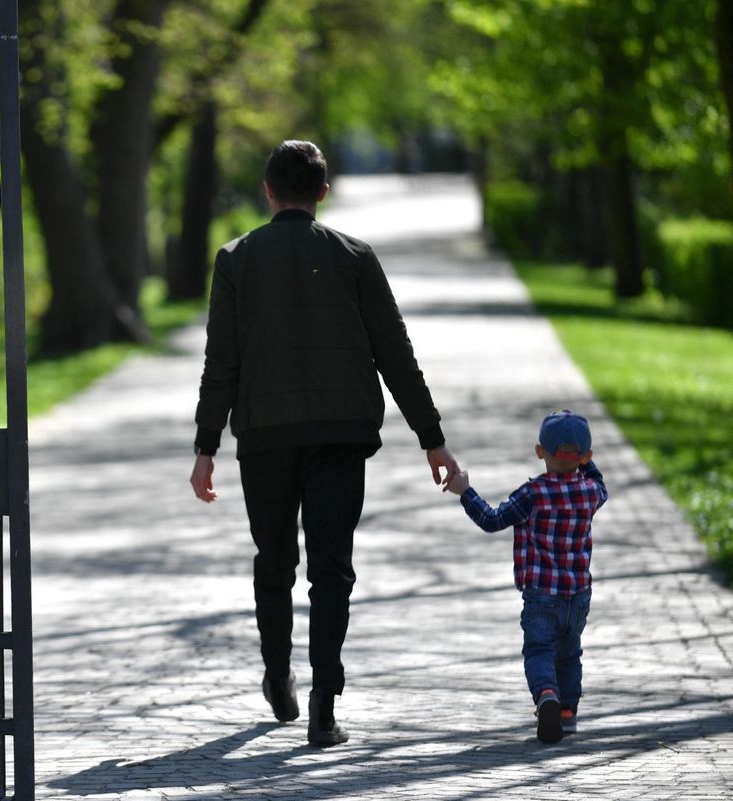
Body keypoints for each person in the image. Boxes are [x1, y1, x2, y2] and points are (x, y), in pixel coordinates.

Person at [189, 139, 459, 747]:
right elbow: (396, 353)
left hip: (264, 437)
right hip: (340, 434)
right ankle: (323, 703)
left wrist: (206, 445)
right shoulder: (354, 257)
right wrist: (432, 439)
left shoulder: (235, 260)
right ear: (322, 193)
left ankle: (277, 673)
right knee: (331, 568)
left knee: (275, 561)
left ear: (267, 191)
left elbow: (220, 362)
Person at [445, 409, 608, 744]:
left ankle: (547, 694)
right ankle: (567, 713)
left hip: (540, 595)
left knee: (539, 651)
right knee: (570, 652)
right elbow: (601, 482)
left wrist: (465, 491)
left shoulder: (533, 494)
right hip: (578, 594)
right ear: (586, 456)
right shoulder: (591, 492)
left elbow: (491, 520)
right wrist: (584, 462)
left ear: (539, 451)